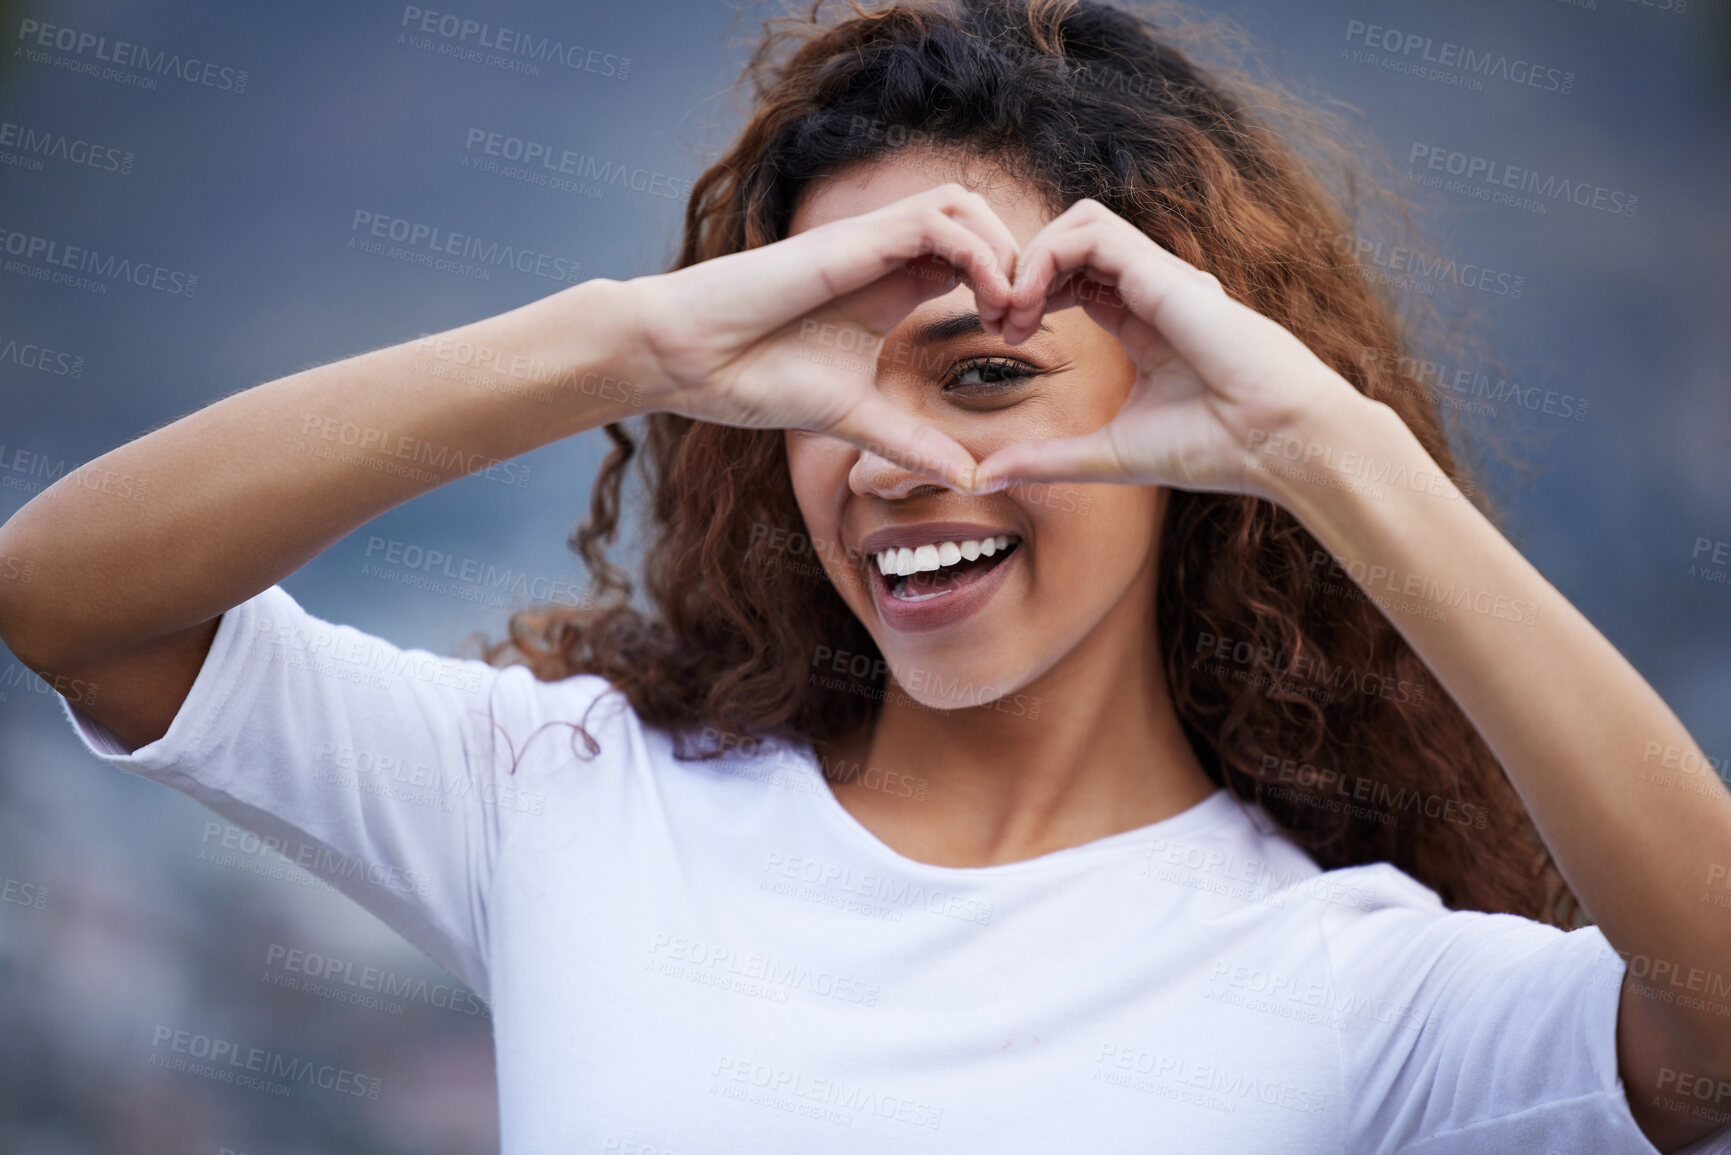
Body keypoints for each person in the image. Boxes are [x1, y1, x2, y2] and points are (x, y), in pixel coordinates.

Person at [2, 0, 1727, 1150]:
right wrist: (631, 340)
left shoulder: (1368, 987)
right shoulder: (573, 800)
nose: (895, 458)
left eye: (985, 374)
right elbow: (68, 597)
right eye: (831, 381)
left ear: (1194, 421)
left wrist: (1330, 450)